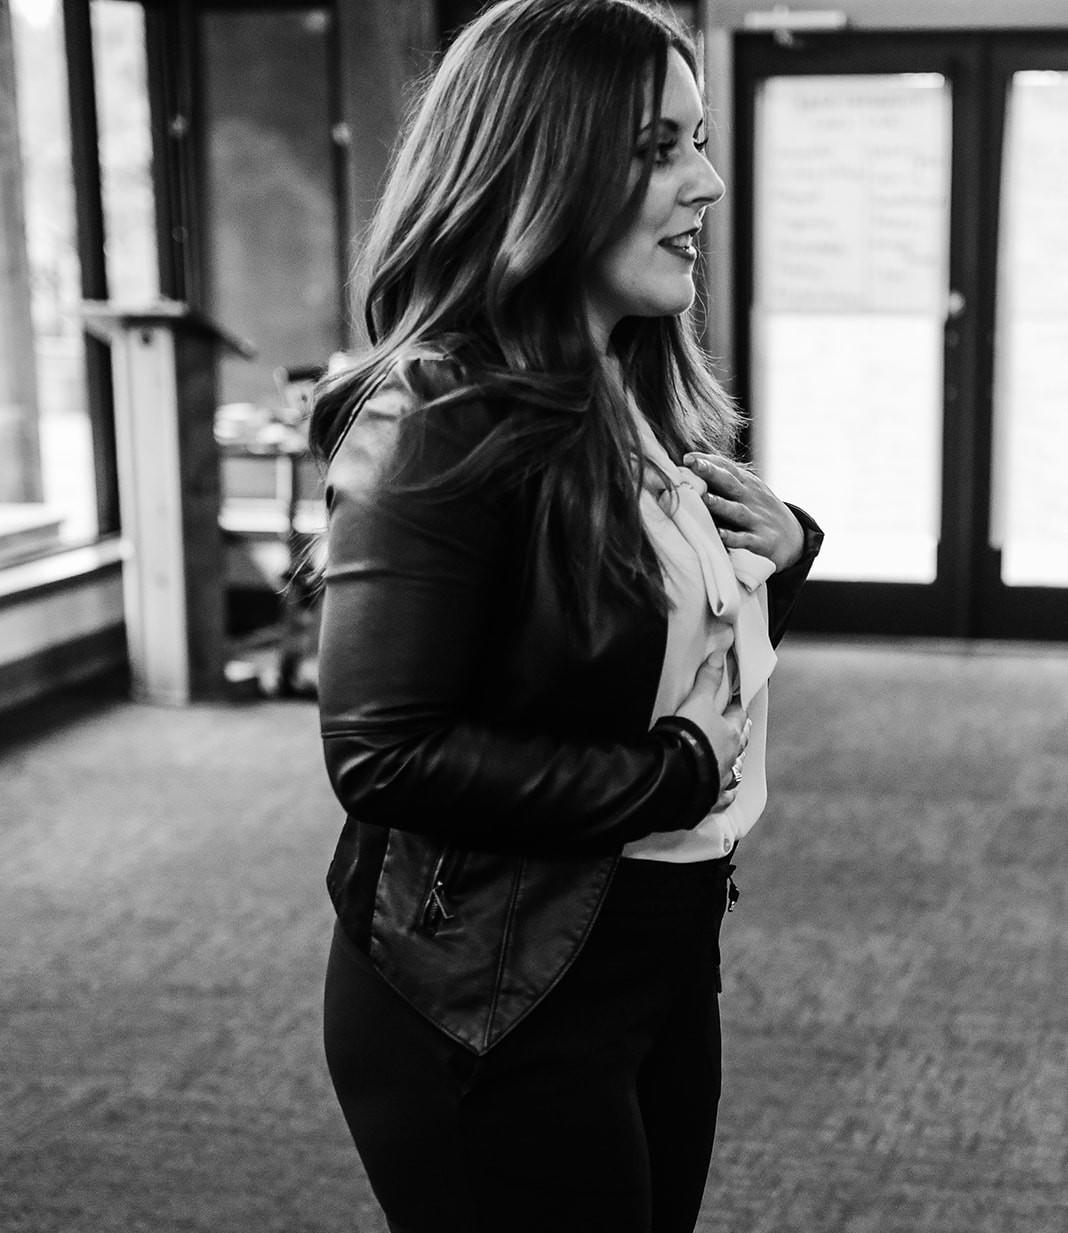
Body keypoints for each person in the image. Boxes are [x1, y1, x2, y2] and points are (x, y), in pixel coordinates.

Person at [312, 2, 823, 1230]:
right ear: (541, 168)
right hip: (492, 985)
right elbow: (384, 755)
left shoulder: (628, 385)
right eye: (658, 147)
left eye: (699, 141)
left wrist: (783, 557)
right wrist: (670, 774)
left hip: (656, 944)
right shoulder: (436, 418)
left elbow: (626, 648)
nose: (705, 183)